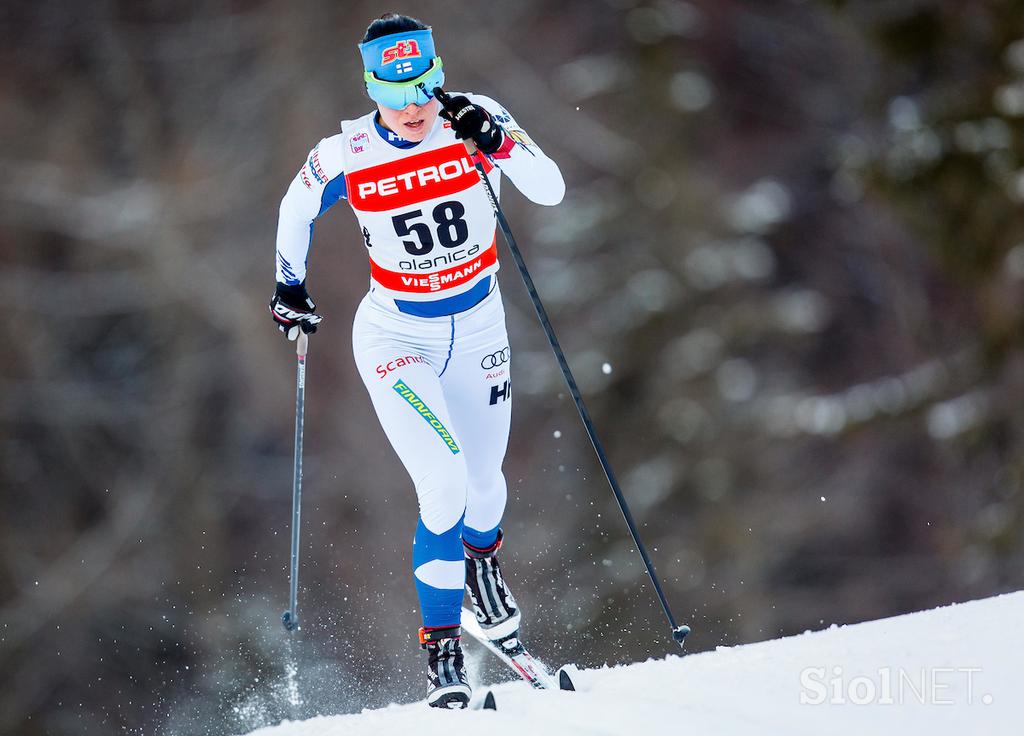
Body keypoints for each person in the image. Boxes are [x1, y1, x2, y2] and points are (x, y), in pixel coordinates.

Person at [269, 13, 564, 709]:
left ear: (438, 79)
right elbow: (295, 207)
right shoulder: (348, 151)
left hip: (480, 326)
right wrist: (289, 287)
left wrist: (500, 146)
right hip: (397, 336)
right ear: (373, 88)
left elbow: (549, 187)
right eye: (394, 93)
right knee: (446, 485)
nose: (411, 108)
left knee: (487, 487)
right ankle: (442, 654)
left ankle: (482, 571)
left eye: (423, 90)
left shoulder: (478, 119)